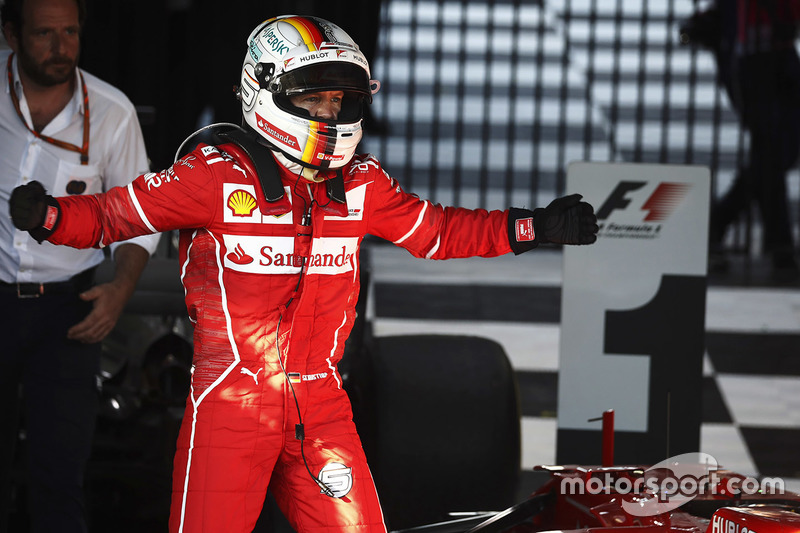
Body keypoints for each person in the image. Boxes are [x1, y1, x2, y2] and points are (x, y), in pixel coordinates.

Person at [9, 15, 598, 533]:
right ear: (264, 91)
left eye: (341, 100)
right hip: (229, 406)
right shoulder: (213, 175)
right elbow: (117, 213)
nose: (330, 112)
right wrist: (52, 216)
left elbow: (440, 231)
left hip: (321, 406)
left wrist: (533, 228)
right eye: (315, 99)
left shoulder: (363, 184)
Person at [0, 0, 160, 531]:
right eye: (45, 34)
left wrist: (119, 290)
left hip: (69, 310)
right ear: (11, 35)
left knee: (61, 478)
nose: (61, 47)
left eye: (70, 31)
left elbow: (138, 217)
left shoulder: (112, 112)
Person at [683, 0, 800, 279]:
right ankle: (778, 244)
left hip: (779, 54)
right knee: (771, 150)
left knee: (776, 152)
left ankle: (716, 227)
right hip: (752, 59)